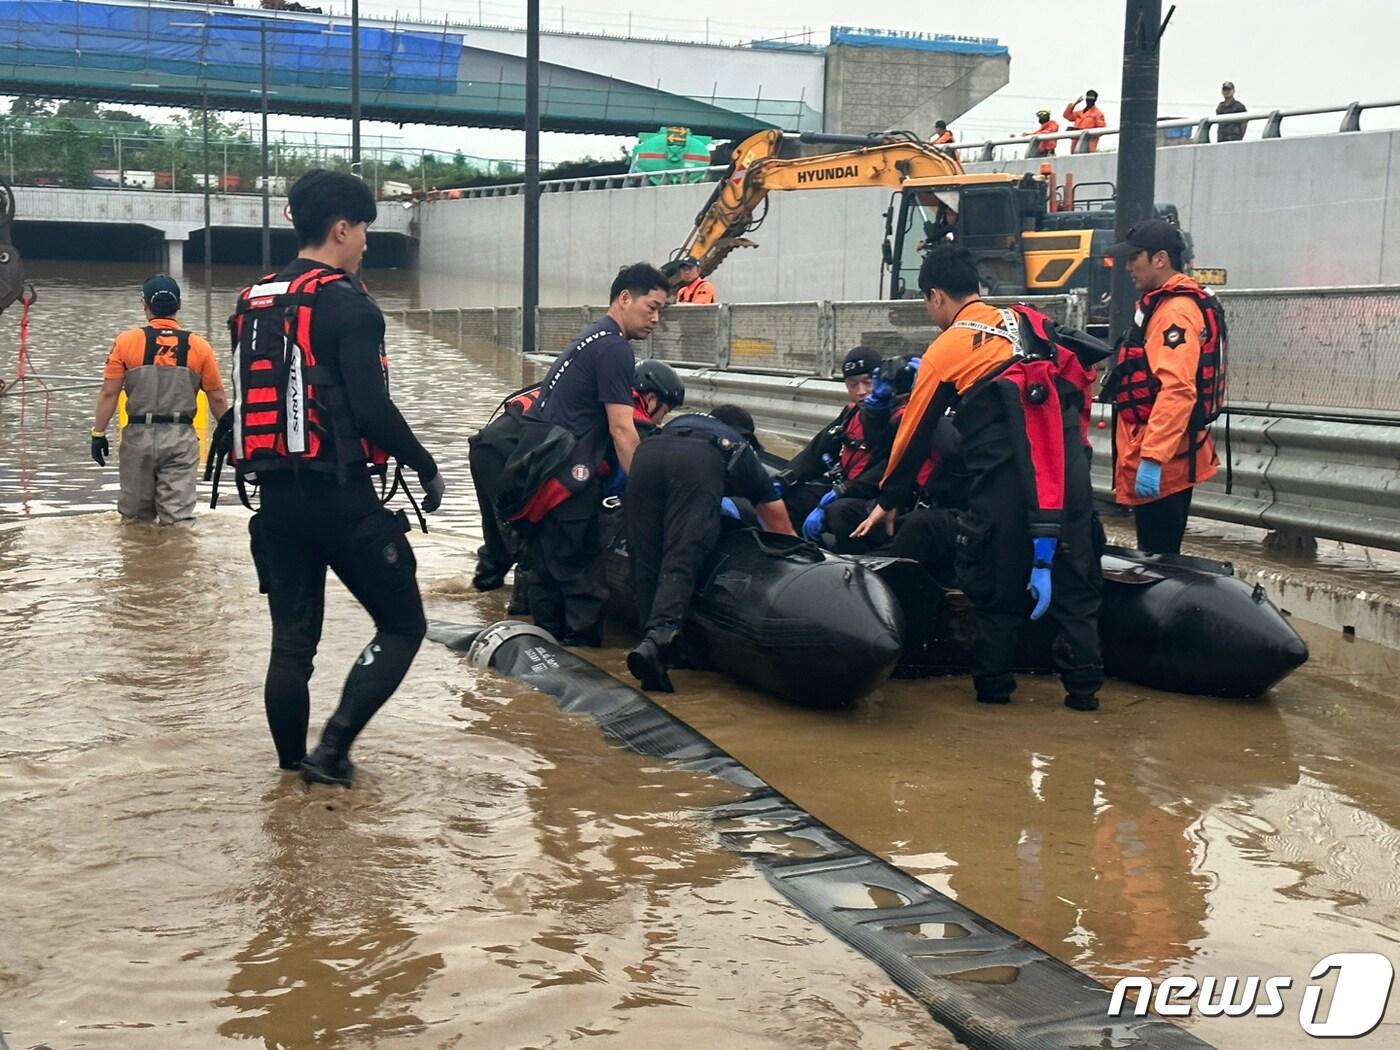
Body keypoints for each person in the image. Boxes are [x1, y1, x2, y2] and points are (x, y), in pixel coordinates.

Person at [230, 169, 446, 787]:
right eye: (365, 232)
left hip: (275, 503)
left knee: (292, 648)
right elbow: (372, 409)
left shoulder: (253, 300)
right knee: (404, 624)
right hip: (342, 500)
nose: (367, 245)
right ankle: (333, 752)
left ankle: (289, 772)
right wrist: (425, 464)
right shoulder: (349, 303)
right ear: (341, 228)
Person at [854, 245, 1105, 712]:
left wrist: (888, 497)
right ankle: (1085, 695)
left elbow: (914, 432)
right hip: (1064, 471)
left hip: (1004, 483)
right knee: (1077, 586)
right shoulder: (1031, 321)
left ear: (935, 296)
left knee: (997, 589)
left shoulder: (947, 347)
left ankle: (994, 693)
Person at [497, 263, 670, 647]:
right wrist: (645, 494)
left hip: (538, 474)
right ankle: (583, 659)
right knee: (580, 578)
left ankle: (543, 660)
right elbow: (622, 428)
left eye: (661, 311)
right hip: (567, 479)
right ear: (625, 298)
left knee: (545, 571)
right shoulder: (614, 349)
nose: (656, 318)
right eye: (652, 307)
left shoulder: (589, 337)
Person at [468, 361, 685, 605]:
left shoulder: (590, 386)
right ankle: (522, 617)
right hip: (511, 456)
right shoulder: (625, 406)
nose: (660, 421)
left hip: (486, 448)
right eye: (664, 412)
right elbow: (644, 456)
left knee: (499, 540)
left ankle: (481, 600)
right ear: (651, 399)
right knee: (530, 541)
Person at [625, 404, 795, 692]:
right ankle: (661, 637)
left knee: (646, 558)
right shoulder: (739, 448)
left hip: (646, 454)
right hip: (696, 462)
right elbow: (779, 524)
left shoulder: (681, 424)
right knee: (683, 553)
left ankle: (650, 652)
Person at [1101, 219, 1226, 555]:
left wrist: (1153, 458)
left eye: (1134, 258)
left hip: (1166, 461)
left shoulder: (1175, 312)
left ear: (1160, 259)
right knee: (1157, 552)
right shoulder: (1165, 304)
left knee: (1159, 557)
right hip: (1170, 452)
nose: (1127, 266)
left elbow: (1177, 390)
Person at [90, 275, 229, 525]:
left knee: (134, 521)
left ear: (145, 305)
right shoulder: (199, 347)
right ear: (179, 305)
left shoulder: (125, 342)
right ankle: (175, 561)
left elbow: (109, 393)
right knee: (178, 521)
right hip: (180, 439)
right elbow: (217, 398)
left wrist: (98, 434)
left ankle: (141, 563)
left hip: (138, 438)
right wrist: (228, 434)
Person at [775, 346, 887, 528]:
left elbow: (890, 468)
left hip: (877, 498)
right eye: (853, 384)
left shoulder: (897, 416)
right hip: (844, 491)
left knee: (839, 512)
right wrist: (784, 479)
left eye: (868, 382)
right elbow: (815, 454)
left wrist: (843, 491)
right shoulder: (851, 414)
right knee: (792, 499)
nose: (861, 391)